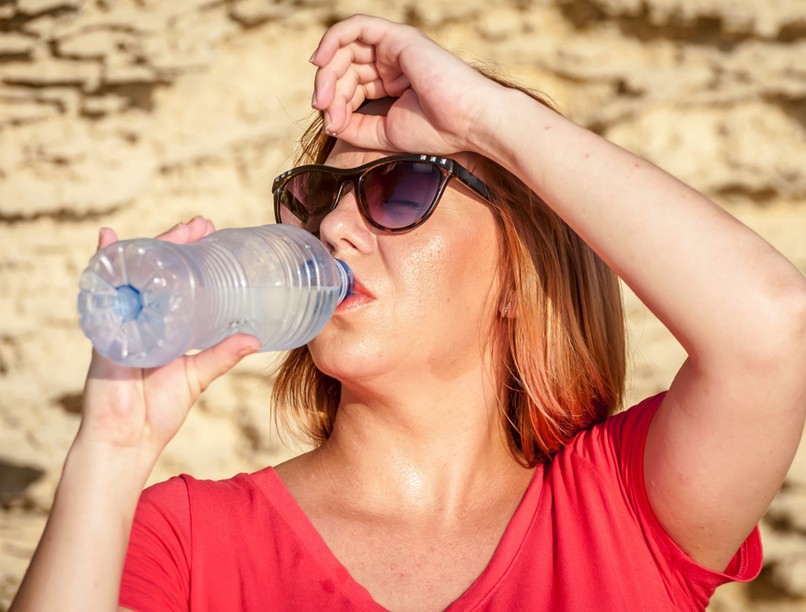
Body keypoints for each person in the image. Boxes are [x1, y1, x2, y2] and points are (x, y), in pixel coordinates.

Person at [11, 14, 806, 612]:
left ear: (518, 278)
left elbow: (772, 326)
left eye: (400, 191)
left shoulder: (622, 511)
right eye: (316, 195)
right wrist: (110, 453)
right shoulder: (184, 538)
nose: (336, 227)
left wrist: (484, 117)